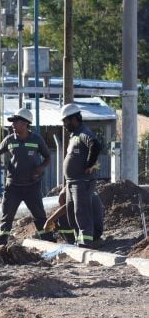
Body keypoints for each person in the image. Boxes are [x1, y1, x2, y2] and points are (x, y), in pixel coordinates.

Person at [0, 108, 52, 245]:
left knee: (39, 215)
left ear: (25, 124)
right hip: (13, 186)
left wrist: (41, 167)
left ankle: (48, 240)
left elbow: (48, 157)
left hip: (32, 185)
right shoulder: (9, 139)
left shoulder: (36, 139)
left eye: (15, 122)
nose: (12, 125)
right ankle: (1, 240)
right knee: (7, 215)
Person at [60, 103, 103, 246]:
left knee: (81, 211)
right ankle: (78, 239)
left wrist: (89, 164)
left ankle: (86, 241)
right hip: (71, 182)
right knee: (71, 212)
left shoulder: (84, 132)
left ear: (73, 119)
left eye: (65, 121)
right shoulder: (74, 136)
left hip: (82, 181)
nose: (64, 125)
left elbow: (95, 145)